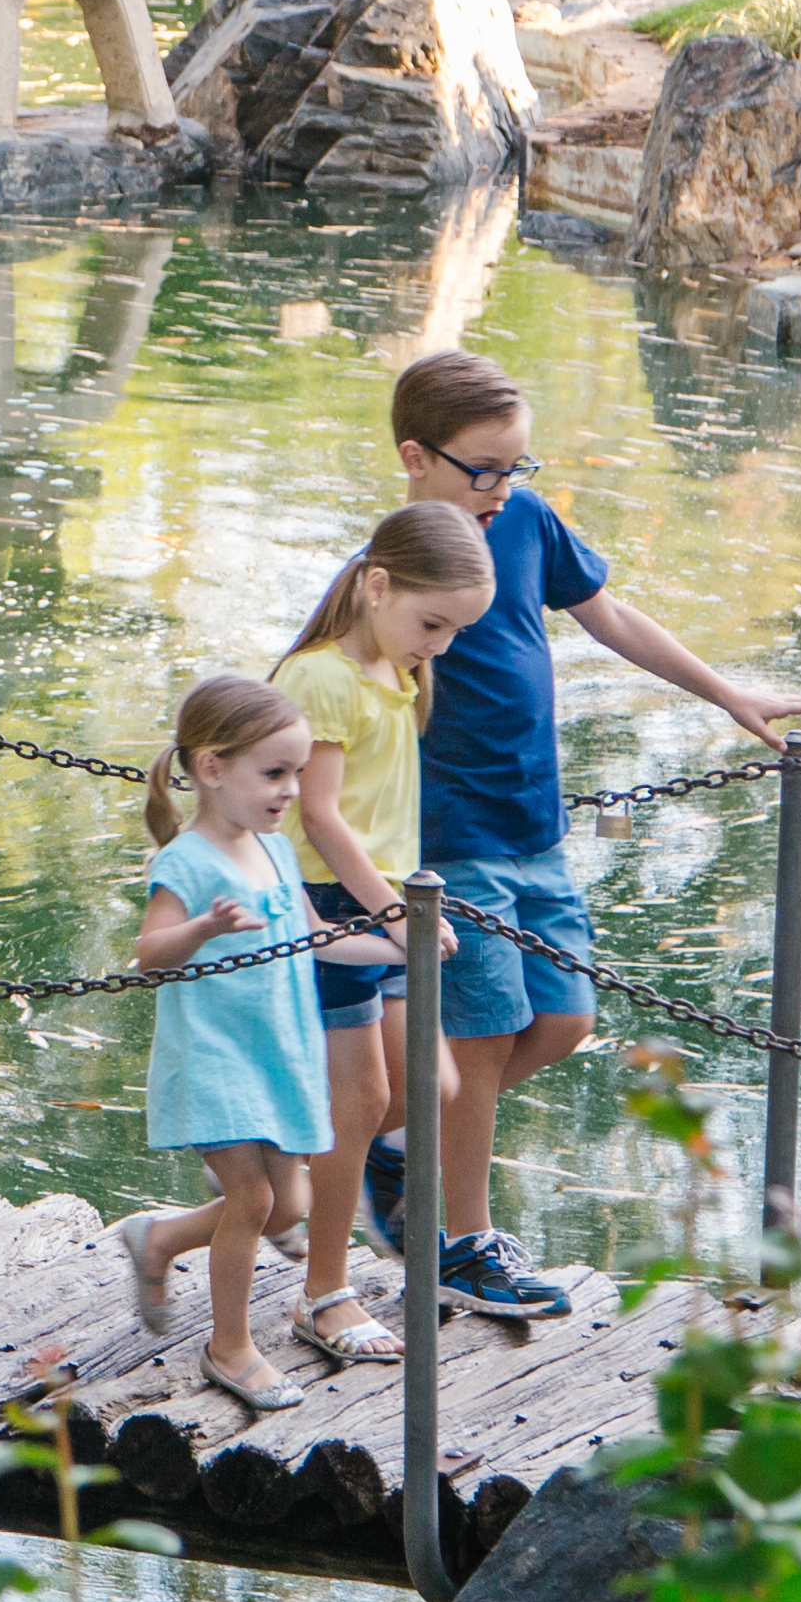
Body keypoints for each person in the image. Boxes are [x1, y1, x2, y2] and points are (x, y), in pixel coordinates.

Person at [371, 352, 801, 1316]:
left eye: (518, 466)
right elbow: (336, 689)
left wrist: (728, 692)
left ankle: (393, 1136)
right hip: (450, 840)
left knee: (564, 1020)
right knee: (483, 1037)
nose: (502, 488)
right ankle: (460, 1242)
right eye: (483, 469)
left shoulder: (527, 524)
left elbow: (607, 614)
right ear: (417, 458)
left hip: (537, 829)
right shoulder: (393, 567)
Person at [271, 505, 498, 1355]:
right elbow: (323, 819)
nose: (439, 644)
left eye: (454, 632)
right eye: (430, 622)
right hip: (337, 905)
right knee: (361, 1100)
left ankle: (294, 1176)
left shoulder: (398, 673)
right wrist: (394, 914)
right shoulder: (322, 679)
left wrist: (401, 904)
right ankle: (324, 1294)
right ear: (376, 586)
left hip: (386, 901)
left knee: (427, 1088)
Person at [107, 673, 352, 1412]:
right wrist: (205, 929)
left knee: (288, 1207)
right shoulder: (186, 862)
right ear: (212, 769)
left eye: (297, 774)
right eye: (273, 773)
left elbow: (314, 937)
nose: (289, 790)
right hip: (216, 1055)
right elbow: (150, 953)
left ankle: (161, 1239)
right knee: (250, 1201)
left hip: (279, 1051)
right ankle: (231, 1348)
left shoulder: (274, 851)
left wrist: (402, 945)